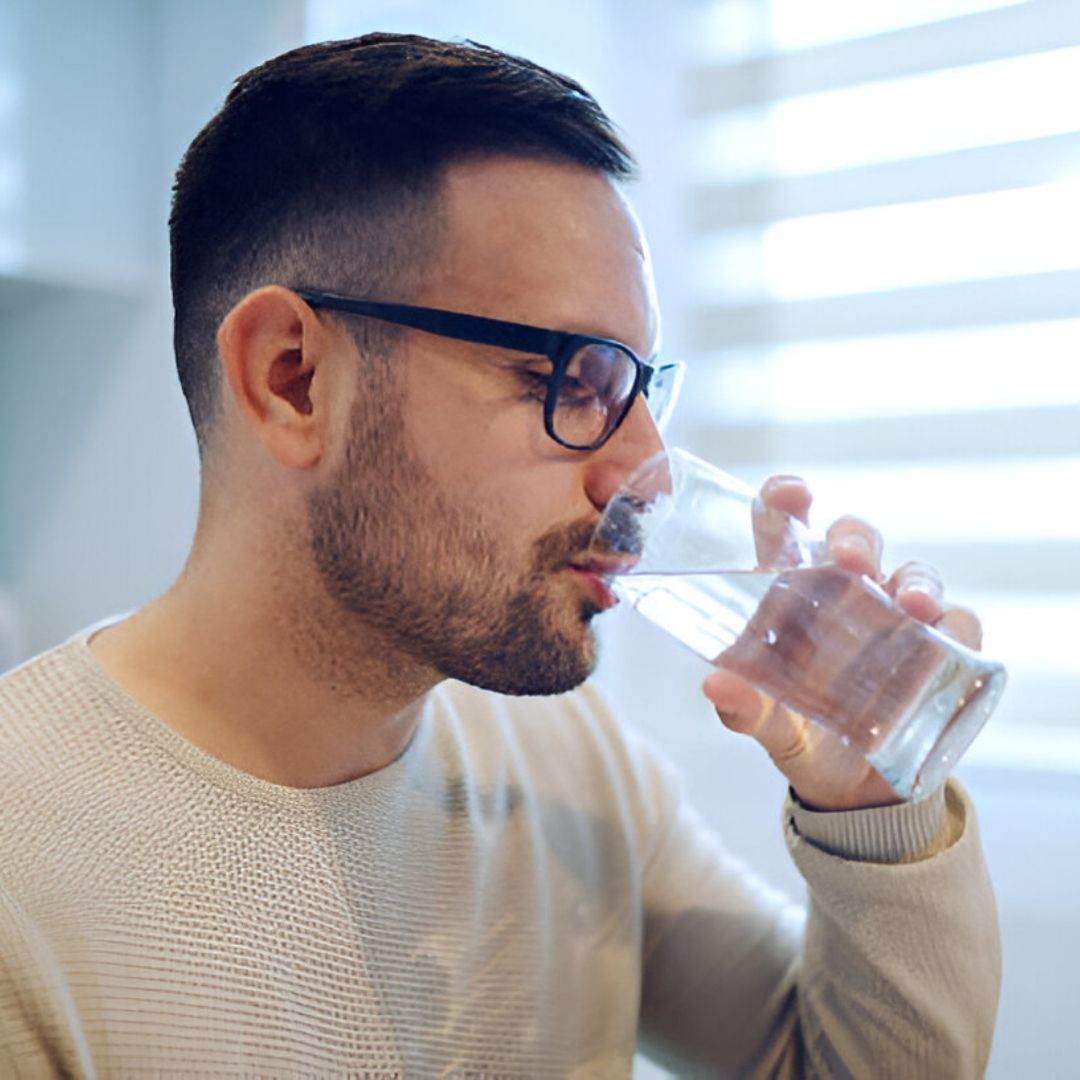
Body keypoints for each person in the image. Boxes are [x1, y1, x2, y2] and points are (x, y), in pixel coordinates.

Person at [0, 32, 1000, 1077]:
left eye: (639, 390)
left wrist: (873, 812)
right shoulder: (23, 873)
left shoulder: (570, 771)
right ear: (293, 378)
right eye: (568, 379)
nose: (646, 475)